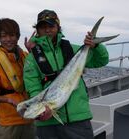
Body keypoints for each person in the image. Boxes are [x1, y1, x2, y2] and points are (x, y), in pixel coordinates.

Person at [23, 9, 109, 139]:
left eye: (51, 26)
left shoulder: (73, 49)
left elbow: (101, 61)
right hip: (48, 125)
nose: (47, 30)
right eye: (43, 27)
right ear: (37, 30)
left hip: (78, 118)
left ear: (58, 27)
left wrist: (95, 46)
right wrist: (42, 110)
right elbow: (33, 86)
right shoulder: (32, 57)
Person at [0, 18, 35, 139]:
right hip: (9, 124)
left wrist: (32, 52)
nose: (8, 40)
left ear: (18, 37)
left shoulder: (25, 56)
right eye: (4, 36)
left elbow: (37, 77)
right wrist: (9, 101)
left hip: (30, 118)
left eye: (12, 35)